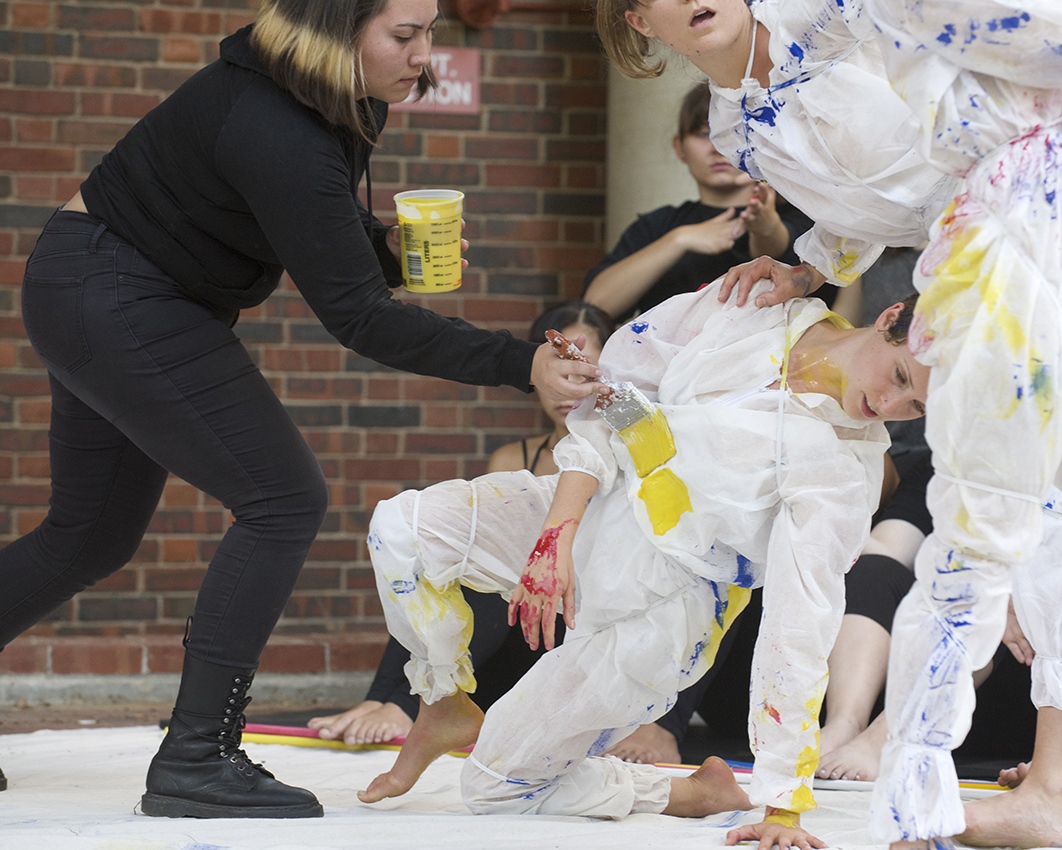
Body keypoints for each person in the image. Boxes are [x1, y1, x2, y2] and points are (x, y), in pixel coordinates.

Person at [0, 0, 603, 821]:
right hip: (118, 294)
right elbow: (358, 318)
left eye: (431, 33)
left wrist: (381, 248)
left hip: (93, 284)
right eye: (404, 34)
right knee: (282, 496)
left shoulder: (310, 97)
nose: (424, 55)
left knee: (89, 534)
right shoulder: (276, 121)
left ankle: (196, 753)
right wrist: (519, 361)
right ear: (334, 27)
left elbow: (296, 218)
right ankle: (197, 755)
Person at [598, 0, 1062, 846]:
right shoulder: (740, 127)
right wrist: (810, 266)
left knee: (1010, 515)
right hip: (974, 252)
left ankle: (1028, 781)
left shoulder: (822, 14)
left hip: (1025, 195)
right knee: (1010, 516)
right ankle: (1038, 781)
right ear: (638, 20)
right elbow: (868, 207)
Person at [357, 280, 928, 850]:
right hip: (602, 507)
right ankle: (443, 702)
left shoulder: (847, 473)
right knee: (402, 531)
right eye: (901, 376)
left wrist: (783, 803)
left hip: (665, 605)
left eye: (918, 408)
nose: (893, 407)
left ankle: (688, 794)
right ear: (890, 317)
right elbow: (624, 406)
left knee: (493, 786)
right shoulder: (758, 309)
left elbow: (799, 623)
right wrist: (556, 535)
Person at [308, 301, 614, 747]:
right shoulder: (513, 459)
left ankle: (406, 705)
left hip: (571, 638)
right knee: (452, 564)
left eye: (584, 370)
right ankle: (389, 699)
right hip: (507, 646)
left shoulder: (621, 453)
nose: (569, 388)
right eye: (562, 370)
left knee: (495, 572)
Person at [582, 80, 816, 322]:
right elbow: (594, 305)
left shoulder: (807, 220)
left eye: (734, 132)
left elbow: (784, 251)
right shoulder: (658, 226)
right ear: (679, 147)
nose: (717, 147)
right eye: (704, 134)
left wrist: (766, 229)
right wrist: (679, 239)